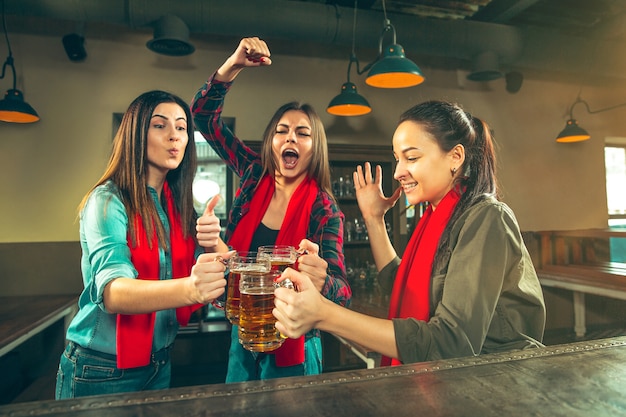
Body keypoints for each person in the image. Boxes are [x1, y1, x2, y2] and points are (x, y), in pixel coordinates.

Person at [274, 100, 546, 365]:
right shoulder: (435, 216)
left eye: (412, 157)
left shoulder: (487, 218)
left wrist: (324, 314)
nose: (398, 172)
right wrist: (373, 218)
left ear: (455, 157)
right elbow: (403, 289)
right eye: (397, 159)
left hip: (496, 382)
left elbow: (450, 344)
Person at [191, 37, 351, 382]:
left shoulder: (326, 211)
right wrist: (232, 65)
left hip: (296, 341)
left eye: (302, 133)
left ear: (315, 148)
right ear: (271, 142)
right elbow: (203, 118)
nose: (290, 138)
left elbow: (343, 292)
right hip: (243, 334)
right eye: (282, 131)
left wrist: (322, 279)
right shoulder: (253, 173)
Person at [56, 90, 231, 399]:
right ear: (136, 134)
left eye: (181, 128)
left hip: (159, 363)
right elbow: (114, 293)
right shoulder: (107, 200)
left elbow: (230, 274)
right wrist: (191, 288)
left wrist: (212, 240)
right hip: (100, 368)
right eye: (160, 125)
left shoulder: (176, 208)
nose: (174, 136)